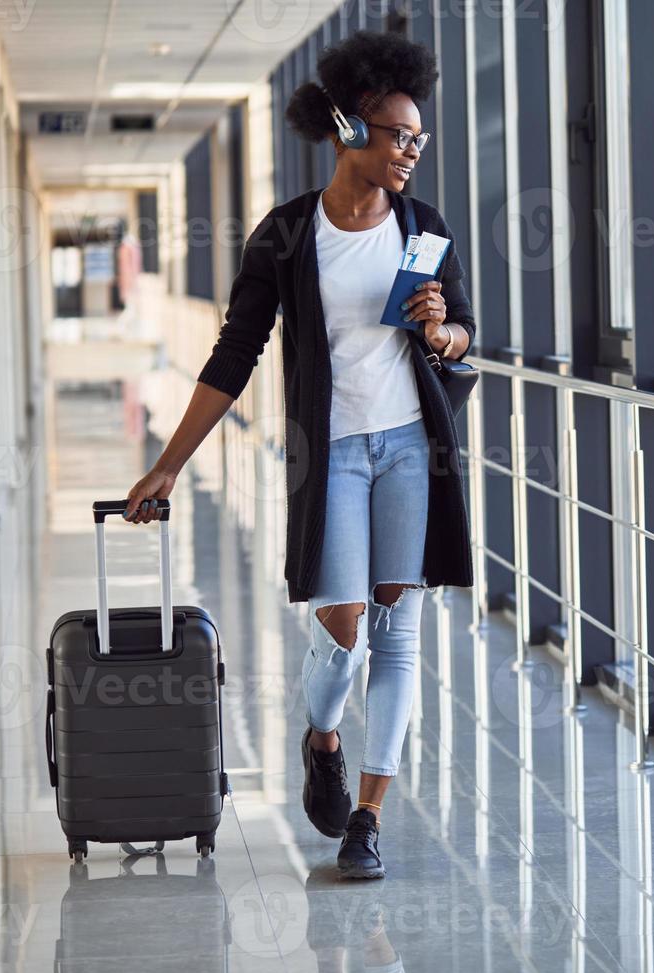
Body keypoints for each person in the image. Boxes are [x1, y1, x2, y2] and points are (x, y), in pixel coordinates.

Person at [121, 30, 475, 879]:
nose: (411, 153)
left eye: (419, 140)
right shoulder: (285, 237)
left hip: (408, 450)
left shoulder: (424, 227)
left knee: (398, 630)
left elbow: (464, 338)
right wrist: (169, 462)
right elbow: (234, 353)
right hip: (336, 454)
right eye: (398, 136)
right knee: (344, 632)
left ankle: (368, 819)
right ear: (351, 130)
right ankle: (322, 737)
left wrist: (441, 330)